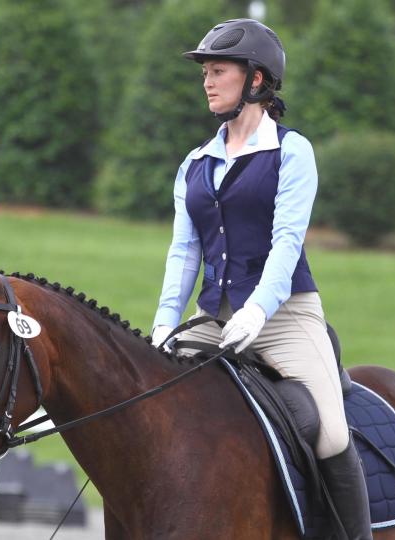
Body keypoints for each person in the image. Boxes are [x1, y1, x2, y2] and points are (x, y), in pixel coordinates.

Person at [150, 18, 373, 540]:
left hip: (285, 314)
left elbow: (286, 243)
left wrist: (257, 310)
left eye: (218, 70)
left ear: (255, 80)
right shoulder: (195, 163)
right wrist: (164, 324)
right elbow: (184, 253)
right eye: (205, 71)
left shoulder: (292, 152)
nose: (207, 81)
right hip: (212, 319)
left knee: (333, 435)